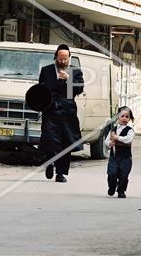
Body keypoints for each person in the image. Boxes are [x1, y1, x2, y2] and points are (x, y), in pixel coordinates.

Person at [39, 44, 84, 183]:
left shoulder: (75, 71)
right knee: (49, 140)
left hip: (68, 112)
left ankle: (61, 173)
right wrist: (60, 81)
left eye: (65, 59)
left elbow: (79, 89)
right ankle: (49, 163)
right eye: (60, 59)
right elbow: (44, 90)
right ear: (56, 57)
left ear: (69, 58)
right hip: (51, 110)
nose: (63, 62)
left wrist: (69, 80)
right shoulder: (46, 71)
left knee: (66, 143)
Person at [105, 106, 135, 198]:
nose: (124, 119)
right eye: (122, 116)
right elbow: (106, 141)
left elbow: (128, 140)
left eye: (127, 117)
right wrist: (110, 143)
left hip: (125, 158)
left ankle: (121, 190)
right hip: (114, 157)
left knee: (124, 175)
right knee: (112, 173)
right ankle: (112, 187)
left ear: (130, 118)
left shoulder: (130, 131)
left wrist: (117, 138)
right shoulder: (113, 130)